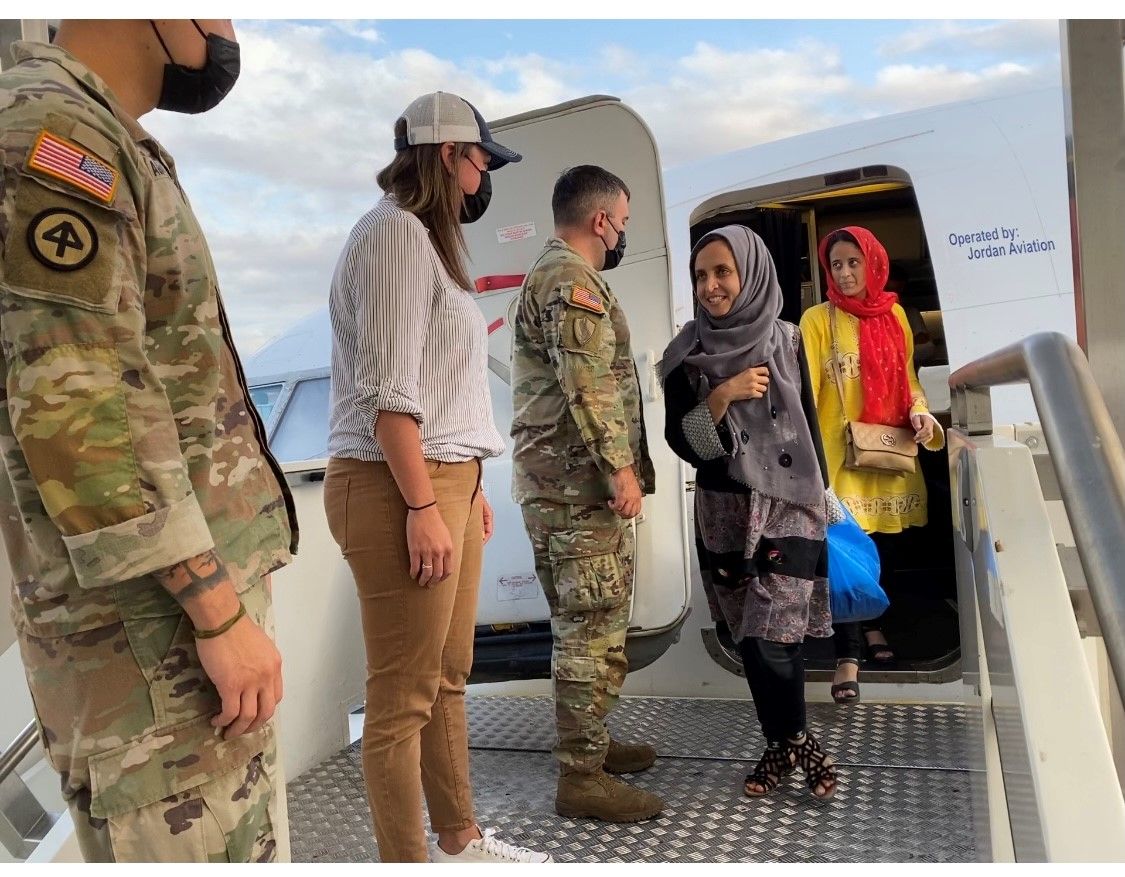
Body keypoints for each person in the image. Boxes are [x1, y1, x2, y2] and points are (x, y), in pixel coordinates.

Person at [0, 20, 296, 862]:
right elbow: (77, 406)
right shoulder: (58, 133)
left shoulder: (98, 132)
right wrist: (216, 608)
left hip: (165, 650)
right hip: (152, 655)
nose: (229, 29)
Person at [322, 91, 550, 864]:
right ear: (448, 154)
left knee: (447, 677)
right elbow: (388, 391)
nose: (485, 177)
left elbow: (442, 388)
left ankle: (459, 840)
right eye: (481, 159)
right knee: (401, 697)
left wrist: (467, 487)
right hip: (396, 486)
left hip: (442, 481)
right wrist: (422, 501)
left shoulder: (427, 241)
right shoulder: (391, 234)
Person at [662, 225, 839, 801]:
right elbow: (686, 446)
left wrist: (825, 496)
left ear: (751, 273)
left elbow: (810, 422)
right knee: (749, 636)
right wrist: (721, 394)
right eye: (701, 276)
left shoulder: (788, 340)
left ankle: (799, 742)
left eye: (722, 272)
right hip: (725, 508)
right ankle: (782, 742)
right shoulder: (685, 354)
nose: (711, 287)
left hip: (790, 504)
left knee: (775, 632)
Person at [511, 165, 663, 823]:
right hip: (576, 492)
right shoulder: (571, 281)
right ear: (600, 220)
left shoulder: (555, 274)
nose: (621, 233)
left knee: (594, 625)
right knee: (587, 631)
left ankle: (592, 747)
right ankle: (581, 777)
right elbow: (588, 385)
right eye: (622, 222)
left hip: (565, 491)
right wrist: (619, 470)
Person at [799, 226, 945, 703]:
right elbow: (807, 393)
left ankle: (877, 627)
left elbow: (908, 380)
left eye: (853, 263)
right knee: (846, 551)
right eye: (836, 265)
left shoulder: (896, 315)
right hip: (838, 456)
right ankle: (851, 655)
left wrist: (921, 412)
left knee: (887, 547)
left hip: (889, 448)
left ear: (873, 263)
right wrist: (807, 462)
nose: (844, 273)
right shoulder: (817, 321)